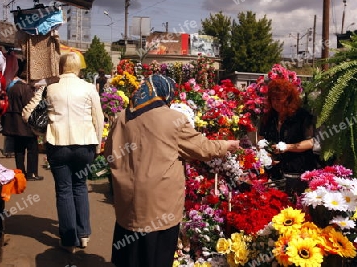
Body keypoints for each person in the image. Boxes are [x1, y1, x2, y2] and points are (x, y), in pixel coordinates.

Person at [104, 74, 240, 267]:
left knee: (129, 255)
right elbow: (203, 149)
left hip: (127, 201)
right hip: (159, 204)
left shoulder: (121, 117)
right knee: (155, 256)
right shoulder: (173, 119)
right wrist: (226, 144)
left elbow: (109, 153)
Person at [24, 52, 104, 253]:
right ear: (79, 68)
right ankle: (83, 234)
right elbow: (99, 118)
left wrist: (41, 133)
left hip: (57, 144)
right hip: (84, 144)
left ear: (60, 66)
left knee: (64, 190)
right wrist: (97, 144)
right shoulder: (88, 88)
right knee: (80, 187)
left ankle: (68, 240)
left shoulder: (50, 88)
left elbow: (29, 115)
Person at [258, 78, 319, 199]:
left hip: (297, 171)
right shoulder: (270, 117)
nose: (275, 103)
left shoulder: (301, 116)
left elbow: (311, 142)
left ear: (288, 99)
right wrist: (266, 153)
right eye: (273, 99)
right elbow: (261, 137)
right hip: (275, 172)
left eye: (279, 99)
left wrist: (287, 147)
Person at [1, 63, 43, 181]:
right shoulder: (26, 89)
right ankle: (32, 173)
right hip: (25, 125)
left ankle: (20, 172)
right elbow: (30, 107)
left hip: (14, 125)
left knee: (19, 150)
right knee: (32, 149)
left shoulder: (12, 88)